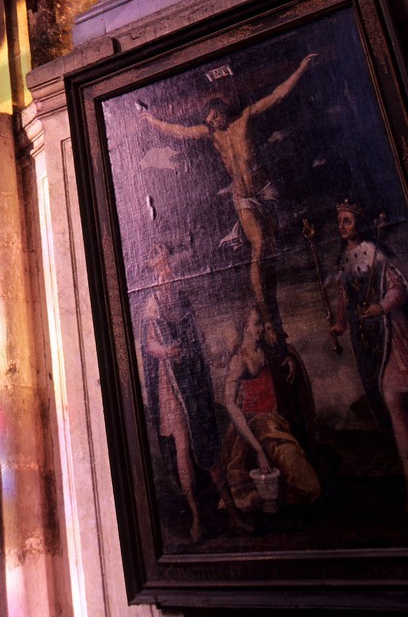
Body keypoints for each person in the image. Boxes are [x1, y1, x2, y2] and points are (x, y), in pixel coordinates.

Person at [140, 54, 315, 339]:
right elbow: (179, 131)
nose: (210, 122)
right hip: (243, 196)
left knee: (270, 246)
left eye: (213, 116)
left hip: (265, 190)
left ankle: (271, 300)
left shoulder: (244, 119)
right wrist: (151, 120)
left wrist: (301, 66)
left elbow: (277, 95)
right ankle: (268, 315)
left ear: (222, 111)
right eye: (208, 120)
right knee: (258, 248)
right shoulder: (212, 135)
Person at [329, 202, 408, 503]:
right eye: (339, 221)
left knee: (394, 394)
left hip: (391, 333)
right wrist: (339, 325)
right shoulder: (344, 260)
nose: (342, 226)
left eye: (347, 220)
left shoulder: (375, 253)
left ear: (359, 223)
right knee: (381, 399)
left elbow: (398, 290)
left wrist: (381, 307)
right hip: (365, 340)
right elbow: (343, 299)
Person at [141, 246, 221, 541]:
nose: (166, 272)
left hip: (190, 377)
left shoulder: (181, 299)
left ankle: (227, 503)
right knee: (183, 447)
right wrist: (167, 351)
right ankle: (196, 516)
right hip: (169, 383)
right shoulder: (152, 304)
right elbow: (150, 345)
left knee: (205, 436)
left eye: (168, 266)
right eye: (161, 267)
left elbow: (195, 334)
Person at [223, 306, 320, 512]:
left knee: (311, 485)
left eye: (261, 323)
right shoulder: (240, 359)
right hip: (259, 428)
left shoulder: (266, 349)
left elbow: (279, 361)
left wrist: (291, 360)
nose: (261, 328)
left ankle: (273, 497)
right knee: (309, 487)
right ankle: (266, 498)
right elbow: (230, 403)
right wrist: (257, 449)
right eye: (256, 323)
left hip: (277, 422)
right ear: (245, 327)